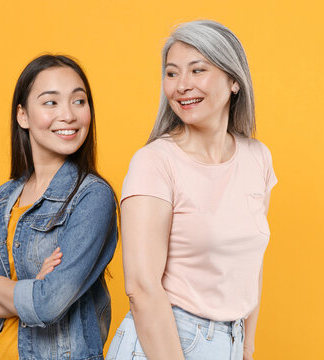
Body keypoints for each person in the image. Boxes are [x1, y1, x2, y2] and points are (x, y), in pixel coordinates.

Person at [106, 20, 277, 360]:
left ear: (233, 80)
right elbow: (141, 288)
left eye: (197, 70)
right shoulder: (154, 162)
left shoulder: (258, 158)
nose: (182, 85)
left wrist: (246, 346)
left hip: (229, 339)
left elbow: (250, 264)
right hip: (167, 341)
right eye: (172, 73)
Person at [0, 54, 118, 360]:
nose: (69, 115)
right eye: (51, 102)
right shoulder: (6, 197)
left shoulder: (93, 197)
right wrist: (30, 290)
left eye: (79, 101)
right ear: (23, 116)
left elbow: (48, 305)